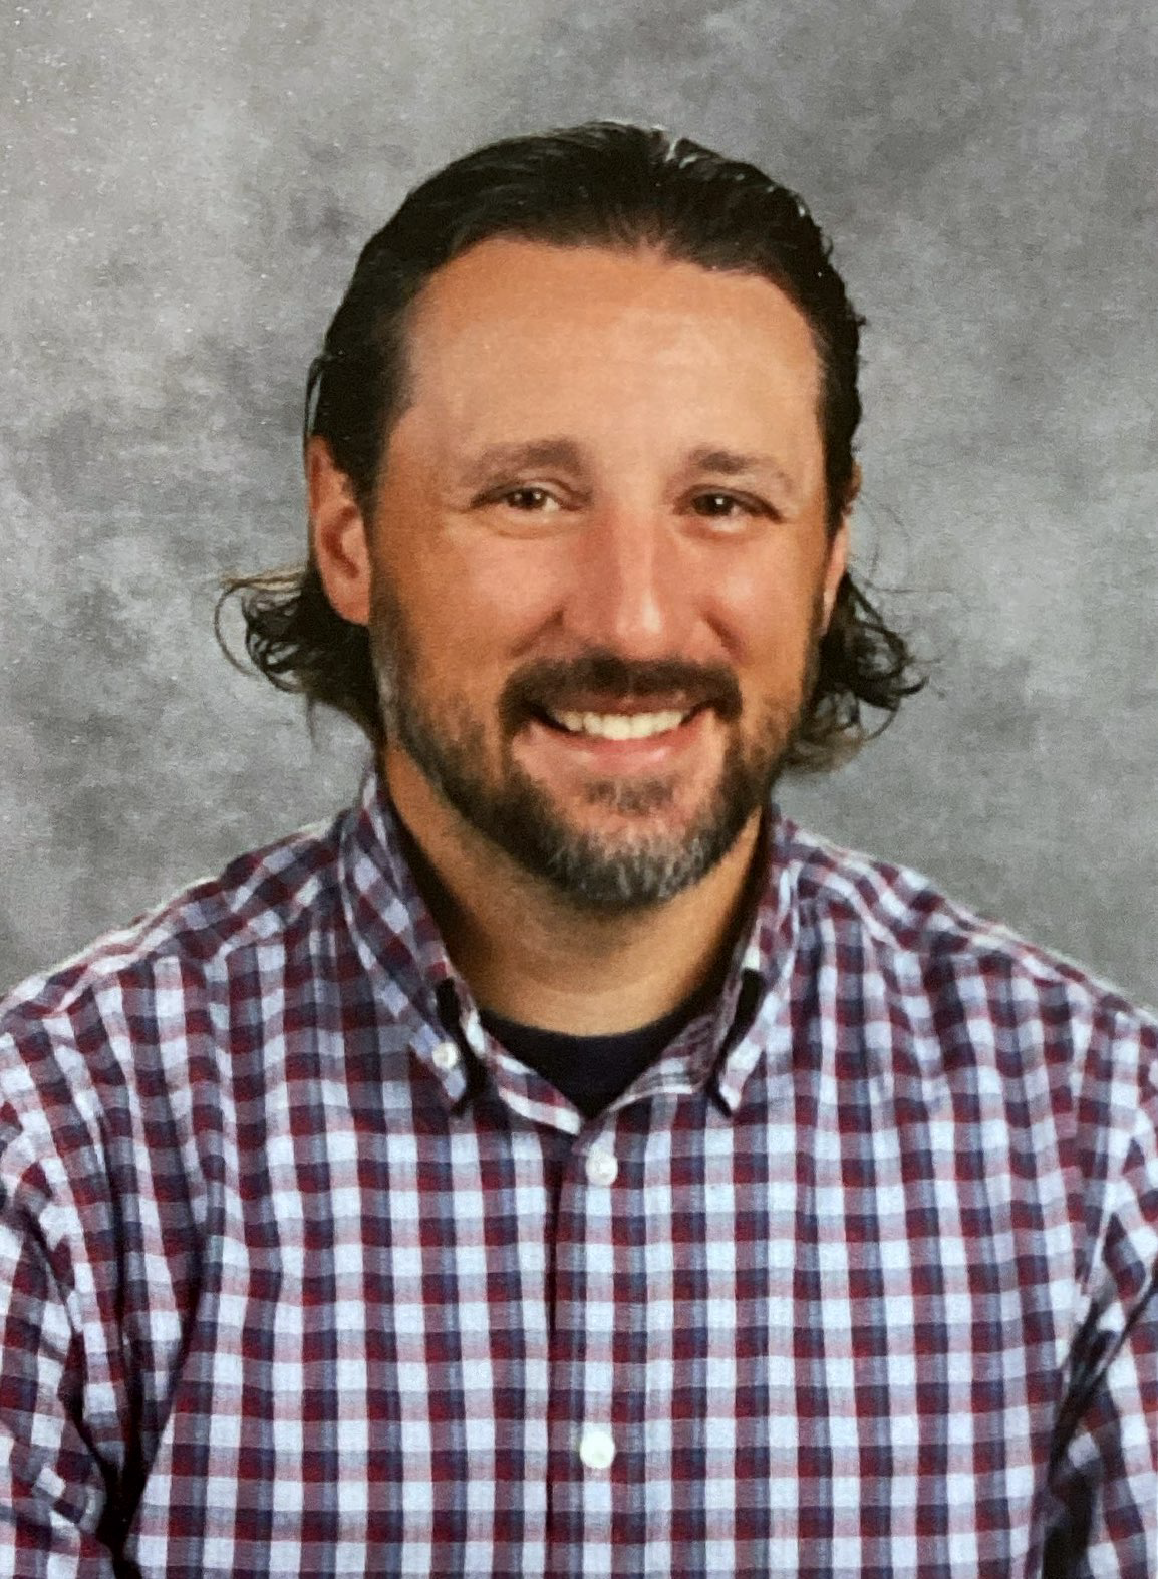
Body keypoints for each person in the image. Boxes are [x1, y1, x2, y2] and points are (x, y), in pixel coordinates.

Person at [0, 121, 1154, 1579]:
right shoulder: (50, 1156)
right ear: (346, 530)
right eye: (529, 497)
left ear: (829, 552)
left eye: (721, 503)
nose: (633, 620)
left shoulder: (1100, 1142)